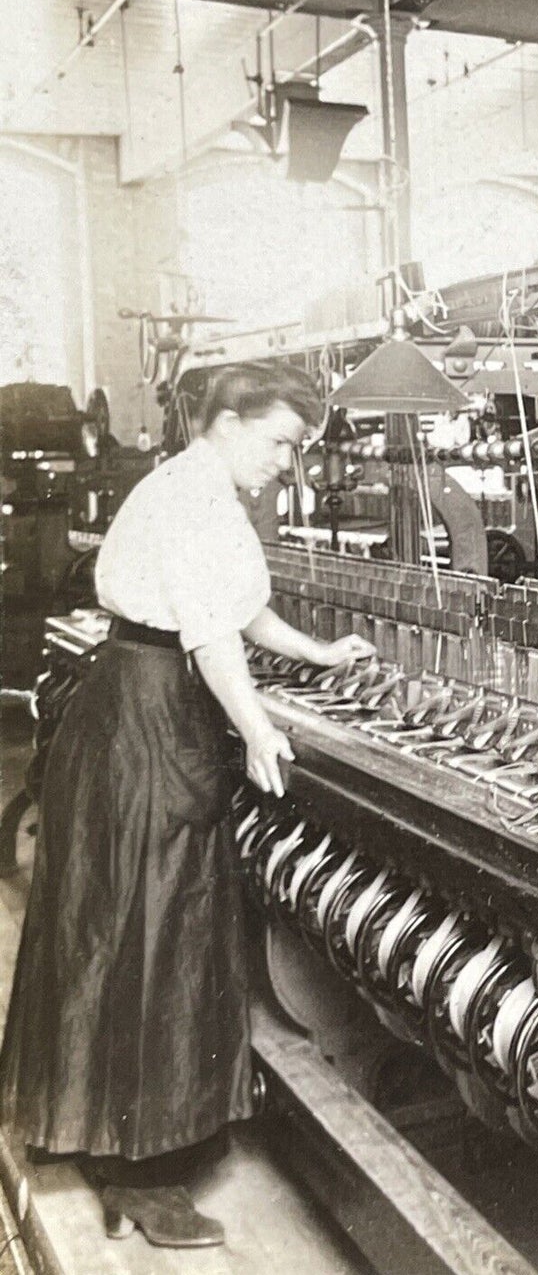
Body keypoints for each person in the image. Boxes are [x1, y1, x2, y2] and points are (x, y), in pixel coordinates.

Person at [0, 362, 374, 1248]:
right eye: (281, 440)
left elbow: (236, 613)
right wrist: (254, 729)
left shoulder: (188, 484)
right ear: (232, 423)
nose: (288, 462)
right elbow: (207, 636)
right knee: (152, 924)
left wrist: (322, 653)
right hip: (150, 716)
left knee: (127, 919)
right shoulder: (199, 500)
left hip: (136, 703)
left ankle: (107, 1130)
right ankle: (142, 1173)